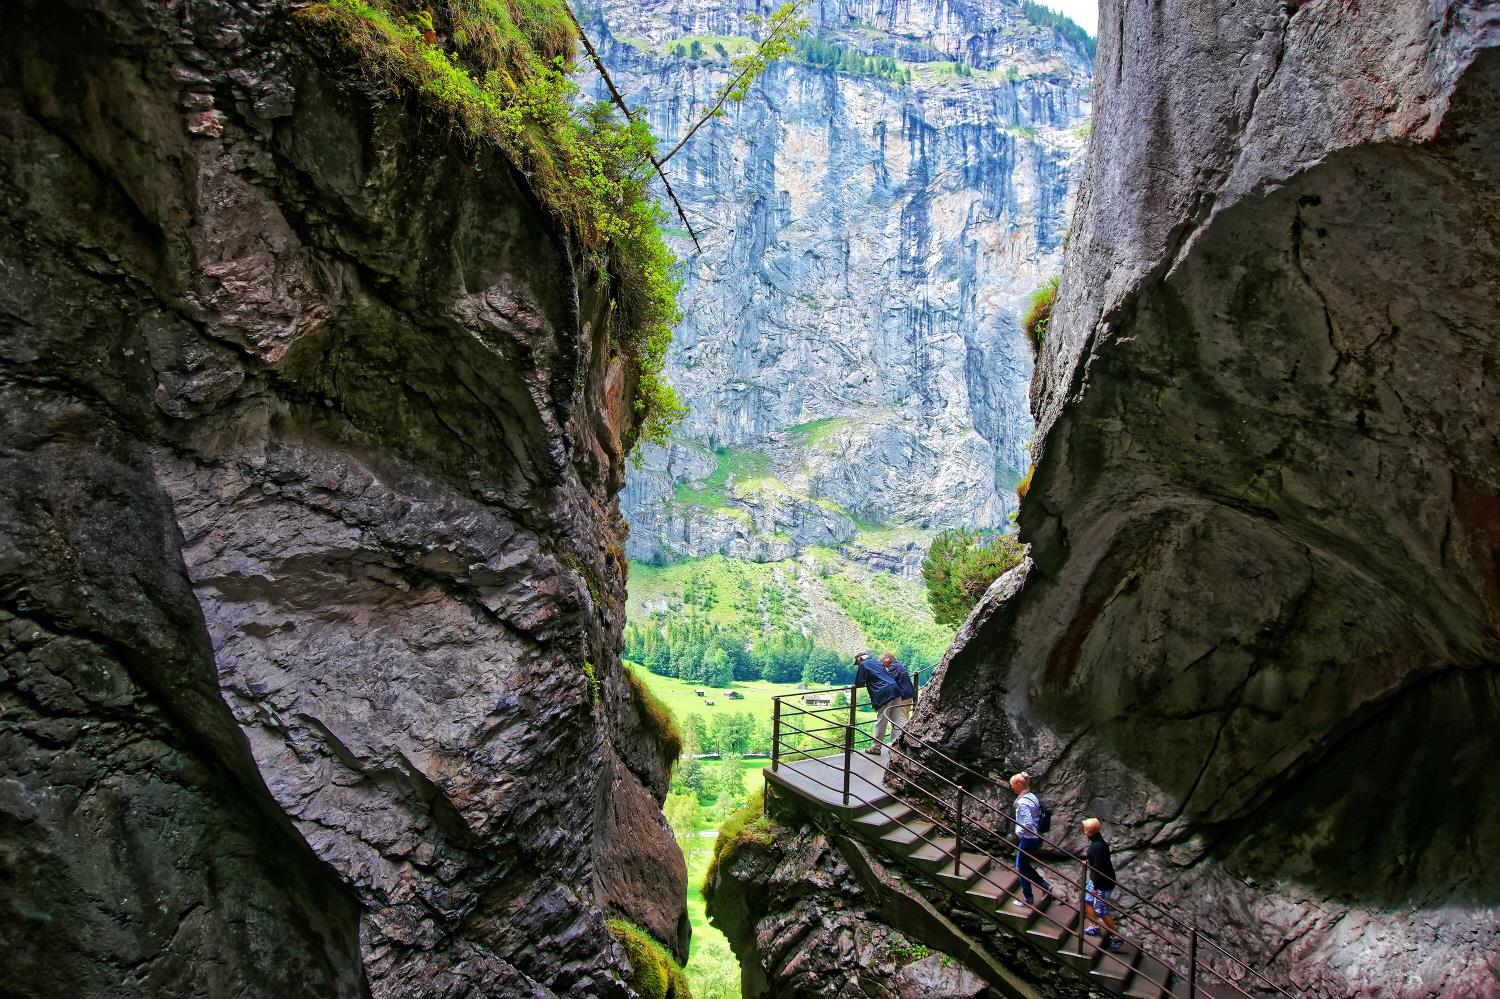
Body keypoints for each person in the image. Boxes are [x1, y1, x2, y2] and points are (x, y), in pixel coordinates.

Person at [1009, 772, 1053, 909]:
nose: (1012, 788)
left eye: (1012, 786)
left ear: (1018, 785)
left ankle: (1028, 899)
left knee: (1020, 867)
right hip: (1037, 836)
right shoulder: (1031, 796)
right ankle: (1044, 885)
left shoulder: (1022, 802)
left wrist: (1018, 832)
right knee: (1023, 865)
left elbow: (1027, 823)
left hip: (1029, 838)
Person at [1083, 817, 1123, 953]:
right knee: (1088, 900)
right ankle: (1094, 927)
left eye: (1085, 829)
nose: (1084, 831)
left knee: (1101, 910)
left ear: (1090, 832)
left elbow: (1097, 869)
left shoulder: (1096, 848)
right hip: (1098, 880)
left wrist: (1095, 888)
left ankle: (1117, 938)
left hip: (1103, 882)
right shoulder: (1098, 842)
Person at [853, 651, 901, 755]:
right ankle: (896, 747)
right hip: (896, 688)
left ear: (860, 659)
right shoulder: (877, 662)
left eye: (857, 663)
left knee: (881, 721)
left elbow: (859, 683)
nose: (858, 665)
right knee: (896, 720)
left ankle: (876, 747)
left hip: (884, 692)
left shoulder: (863, 665)